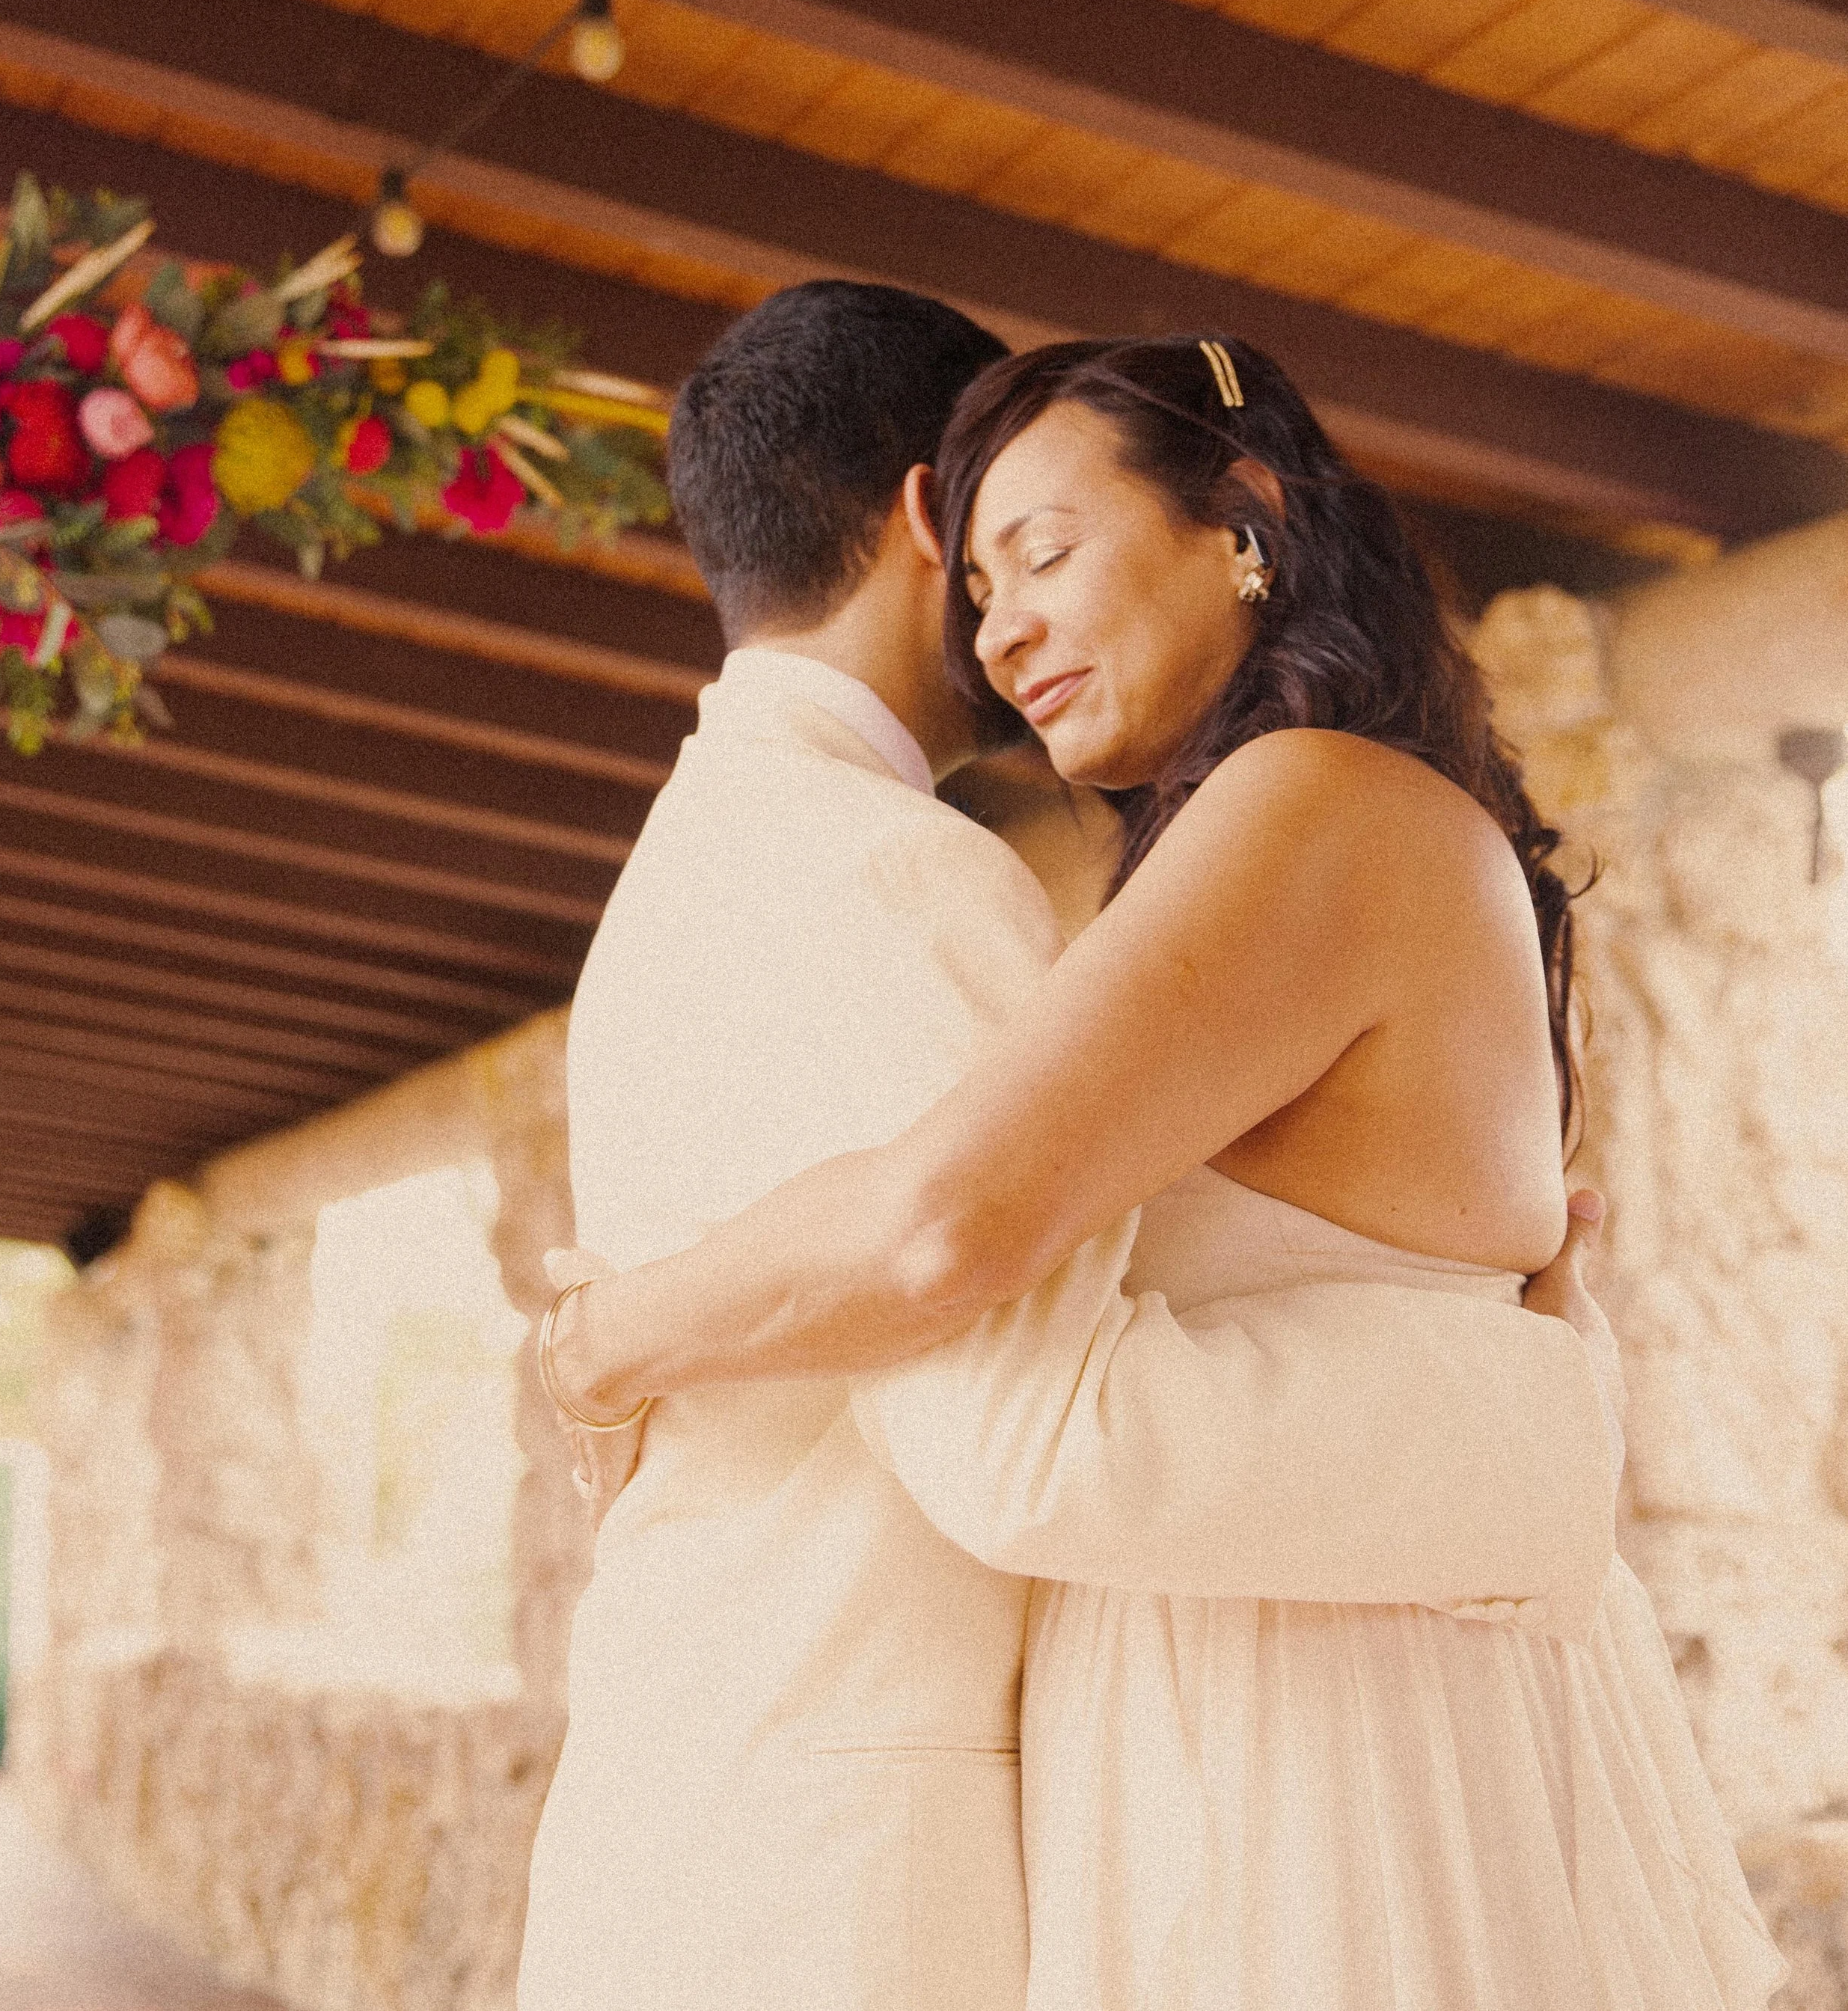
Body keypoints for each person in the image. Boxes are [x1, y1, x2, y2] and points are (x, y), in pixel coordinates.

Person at [538, 325, 1784, 2011]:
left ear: (1243, 515)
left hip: (1316, 1734)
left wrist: (607, 1338)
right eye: (979, 582)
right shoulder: (1238, 838)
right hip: (1224, 1703)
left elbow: (944, 1252)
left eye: (1044, 551)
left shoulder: (1306, 808)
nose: (1003, 626)